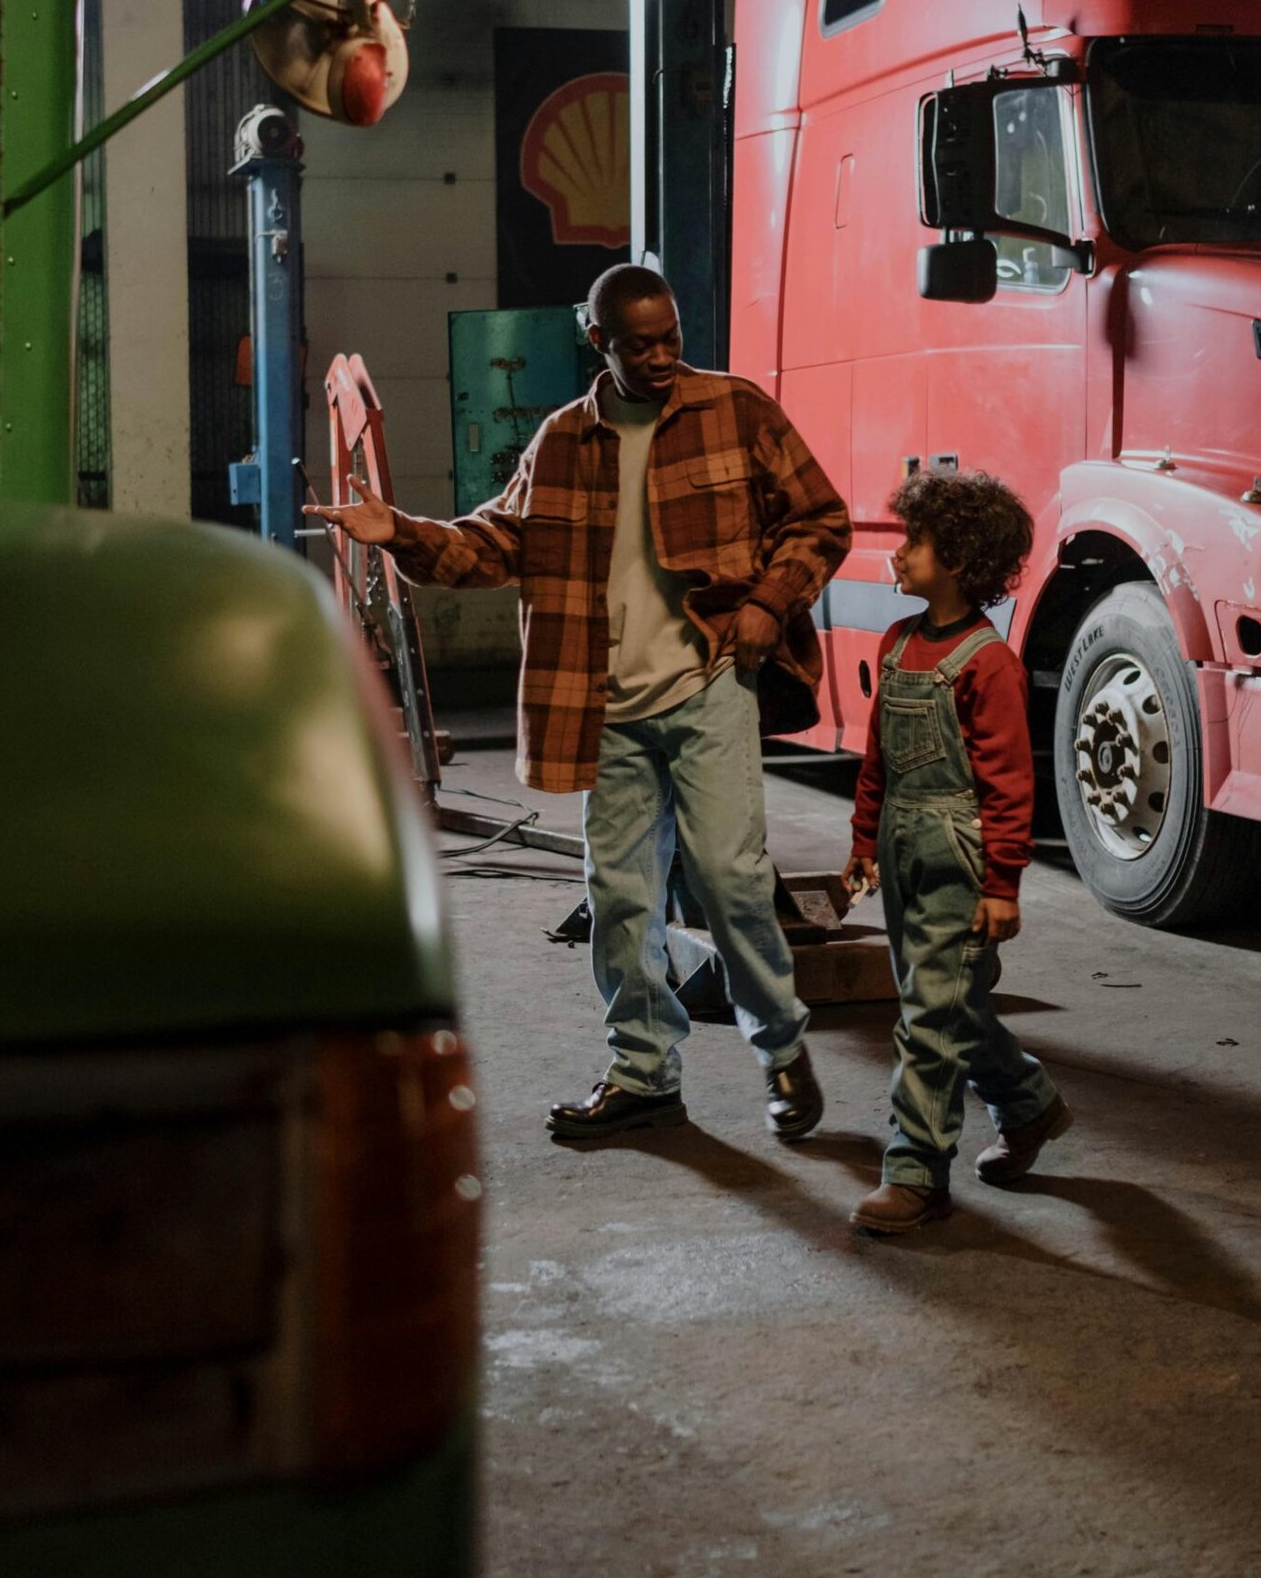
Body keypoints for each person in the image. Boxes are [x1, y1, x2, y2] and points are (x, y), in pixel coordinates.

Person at [308, 264, 851, 1144]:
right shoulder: (562, 440)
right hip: (611, 708)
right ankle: (644, 1074)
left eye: (673, 335)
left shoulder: (736, 410)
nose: (665, 355)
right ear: (599, 342)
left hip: (707, 685)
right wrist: (400, 530)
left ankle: (781, 1049)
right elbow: (495, 544)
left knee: (729, 882)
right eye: (642, 344)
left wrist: (767, 602)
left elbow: (821, 518)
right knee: (620, 898)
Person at [840, 468, 1072, 1236]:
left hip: (959, 860)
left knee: (929, 1019)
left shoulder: (987, 663)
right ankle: (1029, 1104)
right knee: (949, 1005)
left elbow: (1009, 785)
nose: (899, 554)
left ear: (961, 560)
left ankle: (916, 1174)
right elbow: (877, 758)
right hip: (904, 852)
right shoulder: (900, 641)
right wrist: (864, 838)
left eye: (915, 541)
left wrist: (1002, 884)